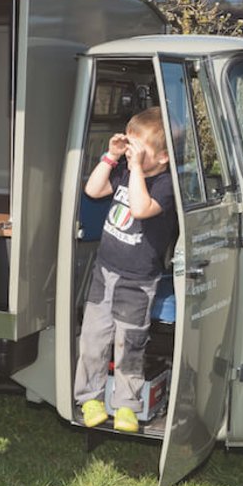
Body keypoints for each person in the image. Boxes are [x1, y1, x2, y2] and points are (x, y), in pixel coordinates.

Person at [73, 107, 176, 434]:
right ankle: (89, 396)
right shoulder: (124, 172)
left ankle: (127, 404)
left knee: (129, 344)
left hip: (138, 282)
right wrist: (111, 157)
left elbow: (140, 208)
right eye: (129, 143)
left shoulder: (165, 185)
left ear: (162, 158)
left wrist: (133, 169)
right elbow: (93, 190)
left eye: (138, 148)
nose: (131, 152)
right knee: (93, 338)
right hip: (106, 273)